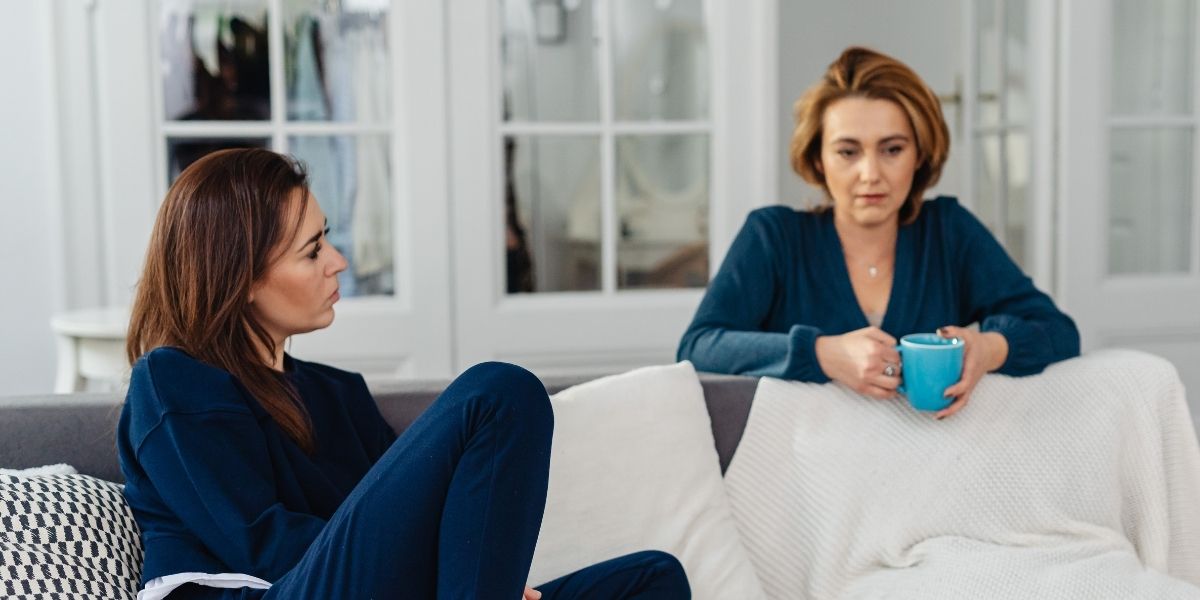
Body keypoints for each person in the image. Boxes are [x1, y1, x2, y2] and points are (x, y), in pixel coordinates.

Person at [117, 148, 690, 600]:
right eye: (313, 250)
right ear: (239, 275)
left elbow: (430, 528)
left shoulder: (339, 395)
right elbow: (258, 546)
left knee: (651, 580)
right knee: (500, 392)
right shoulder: (173, 381)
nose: (338, 261)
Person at [677, 46, 1079, 419]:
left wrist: (988, 349)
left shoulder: (949, 232)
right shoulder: (773, 237)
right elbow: (698, 347)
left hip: (929, 469)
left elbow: (1059, 331)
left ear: (919, 155)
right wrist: (823, 353)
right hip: (804, 478)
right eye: (848, 152)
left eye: (892, 149)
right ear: (818, 159)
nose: (871, 174)